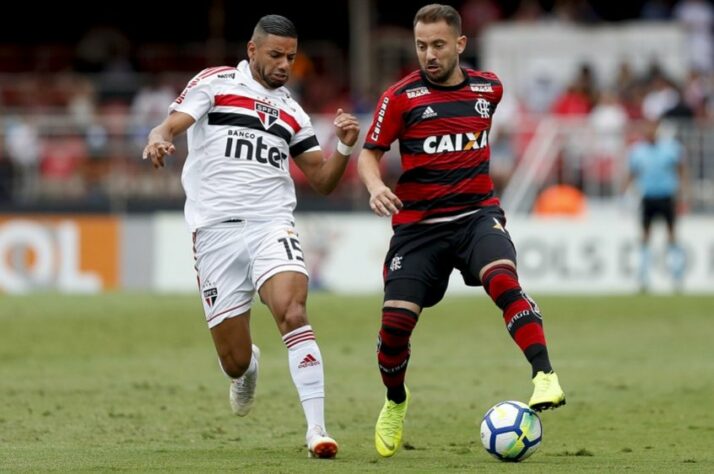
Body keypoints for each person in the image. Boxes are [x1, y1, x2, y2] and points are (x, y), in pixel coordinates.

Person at [142, 14, 360, 459]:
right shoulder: (216, 83)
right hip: (215, 232)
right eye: (276, 55)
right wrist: (160, 137)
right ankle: (247, 370)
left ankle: (317, 430)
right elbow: (172, 124)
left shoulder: (292, 110)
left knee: (293, 310)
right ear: (252, 50)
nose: (284, 65)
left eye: (292, 58)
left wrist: (343, 147)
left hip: (271, 224)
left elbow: (320, 179)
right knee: (234, 360)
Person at [357, 4, 566, 458]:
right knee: (395, 325)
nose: (428, 54)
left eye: (437, 45)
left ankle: (544, 375)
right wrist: (375, 186)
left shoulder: (489, 88)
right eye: (420, 46)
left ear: (459, 44)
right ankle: (396, 401)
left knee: (503, 279)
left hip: (476, 216)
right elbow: (368, 154)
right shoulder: (400, 97)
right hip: (419, 229)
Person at [624, 119, 687, 292]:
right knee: (645, 236)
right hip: (648, 197)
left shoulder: (671, 148)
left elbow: (681, 169)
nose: (650, 132)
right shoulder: (637, 151)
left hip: (666, 196)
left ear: (658, 130)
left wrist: (683, 191)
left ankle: (677, 276)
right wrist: (626, 194)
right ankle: (643, 278)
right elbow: (632, 173)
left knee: (672, 234)